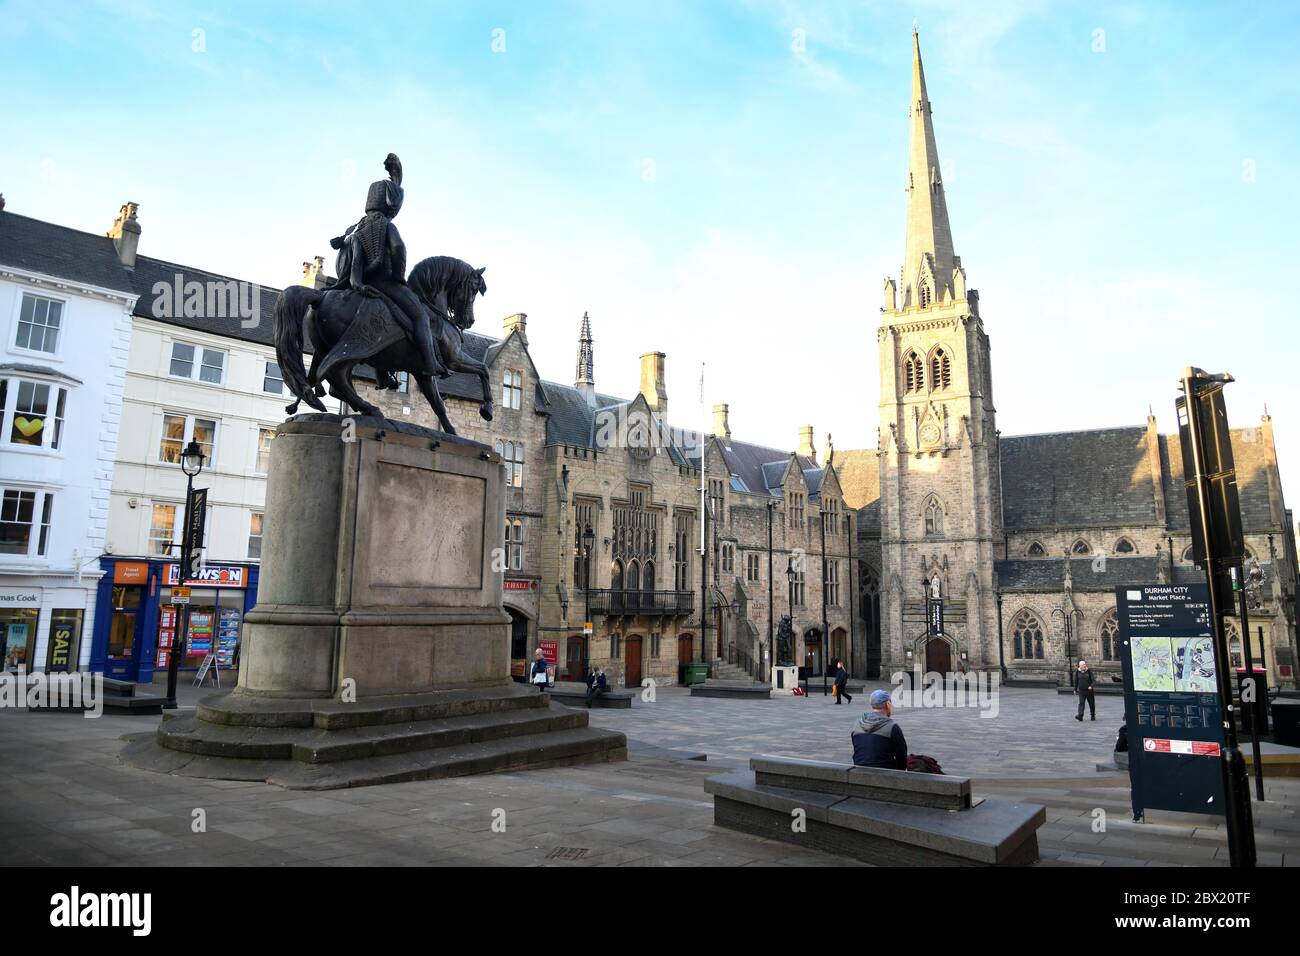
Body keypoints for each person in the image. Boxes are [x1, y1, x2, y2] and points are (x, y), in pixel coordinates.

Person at [328, 153, 447, 383]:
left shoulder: (357, 226)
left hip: (356, 283)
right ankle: (430, 363)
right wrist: (399, 278)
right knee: (420, 316)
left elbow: (344, 249)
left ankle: (382, 374)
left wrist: (396, 177)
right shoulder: (385, 226)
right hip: (384, 283)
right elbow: (398, 249)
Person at [851, 689, 908, 770]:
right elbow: (902, 757)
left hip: (859, 769)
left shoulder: (857, 724)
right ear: (888, 704)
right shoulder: (892, 727)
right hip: (885, 772)